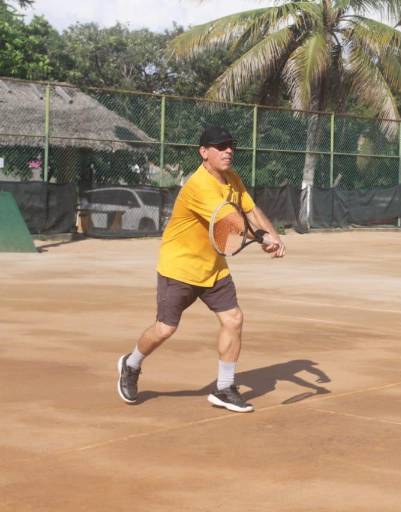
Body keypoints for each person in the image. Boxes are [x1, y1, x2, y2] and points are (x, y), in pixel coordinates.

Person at [117, 125, 286, 412]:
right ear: (204, 152)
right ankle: (131, 364)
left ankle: (224, 388)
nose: (228, 151)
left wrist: (274, 235)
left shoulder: (232, 178)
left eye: (230, 146)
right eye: (221, 147)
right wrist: (262, 238)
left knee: (233, 319)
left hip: (214, 268)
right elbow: (233, 222)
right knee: (165, 329)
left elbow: (250, 210)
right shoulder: (199, 185)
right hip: (180, 268)